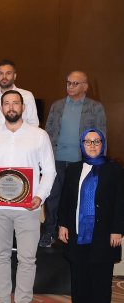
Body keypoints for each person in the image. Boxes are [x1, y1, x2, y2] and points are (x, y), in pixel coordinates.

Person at [0, 90, 56, 303]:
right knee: (0, 256)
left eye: (15, 103)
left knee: (27, 258)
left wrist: (40, 196)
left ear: (23, 107)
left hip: (28, 208)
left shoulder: (39, 136)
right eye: (7, 103)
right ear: (1, 108)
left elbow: (49, 171)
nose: (11, 107)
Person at [58, 129, 123, 303]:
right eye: (88, 142)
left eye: (96, 141)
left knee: (100, 278)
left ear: (103, 144)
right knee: (79, 278)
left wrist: (118, 230)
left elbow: (120, 202)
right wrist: (63, 224)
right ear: (82, 145)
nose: (92, 145)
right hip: (78, 233)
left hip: (104, 234)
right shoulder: (74, 169)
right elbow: (66, 200)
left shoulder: (114, 170)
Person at [42, 71, 107, 248]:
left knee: (76, 199)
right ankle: (49, 232)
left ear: (85, 86)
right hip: (56, 160)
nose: (70, 86)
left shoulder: (95, 107)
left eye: (75, 83)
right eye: (68, 83)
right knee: (52, 198)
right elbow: (48, 132)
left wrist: (100, 164)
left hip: (81, 162)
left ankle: (73, 233)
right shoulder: (57, 106)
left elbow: (101, 136)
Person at [0, 60, 39, 128]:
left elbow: (34, 123)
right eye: (1, 73)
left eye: (8, 73)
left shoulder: (27, 96)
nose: (4, 77)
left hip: (23, 135)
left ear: (14, 76)